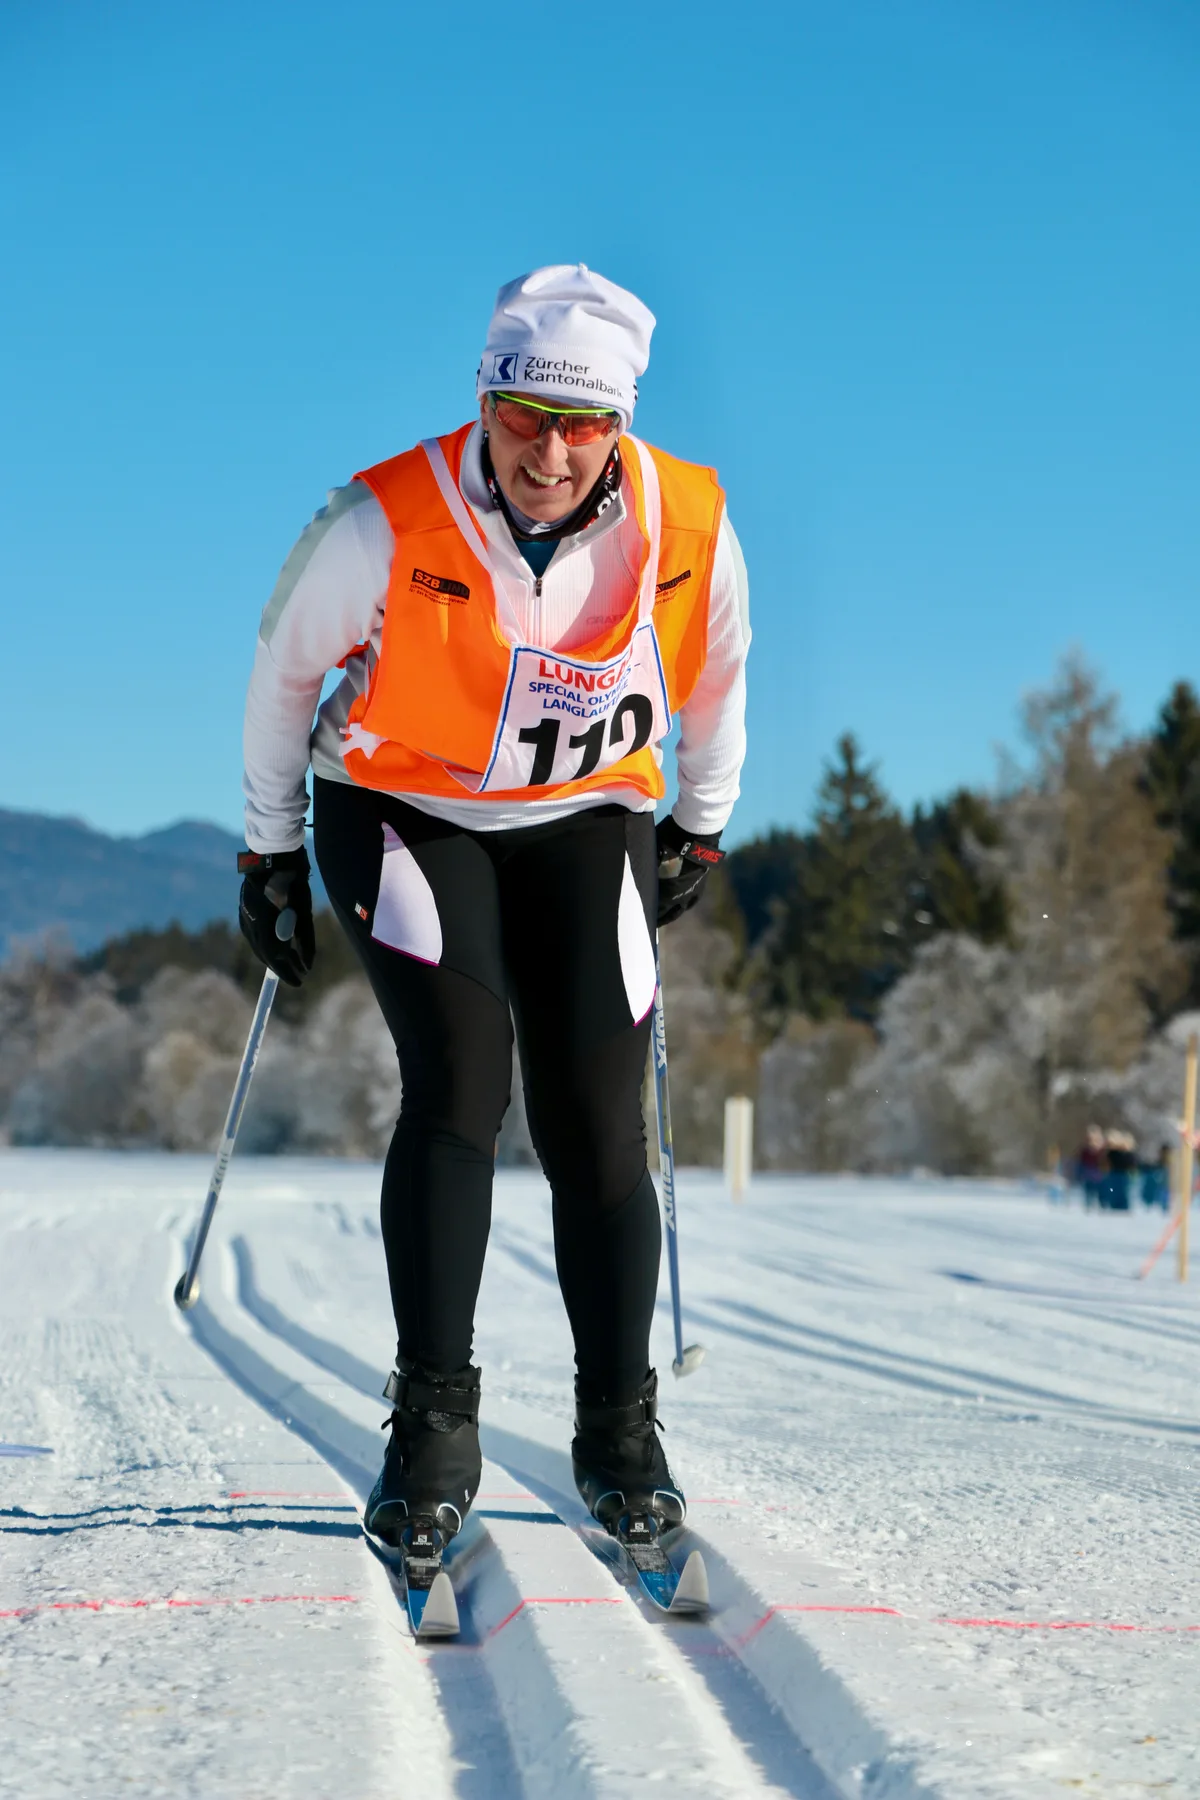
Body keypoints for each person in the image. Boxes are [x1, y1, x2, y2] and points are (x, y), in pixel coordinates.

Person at [236, 265, 750, 1553]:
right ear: (486, 400)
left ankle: (621, 1432)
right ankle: (432, 1426)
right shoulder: (384, 521)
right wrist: (268, 856)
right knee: (463, 1082)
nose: (551, 452)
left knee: (595, 1113)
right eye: (526, 416)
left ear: (620, 426)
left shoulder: (688, 526)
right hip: (405, 805)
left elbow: (719, 675)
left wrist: (703, 820)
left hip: (585, 817)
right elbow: (284, 674)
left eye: (584, 426)